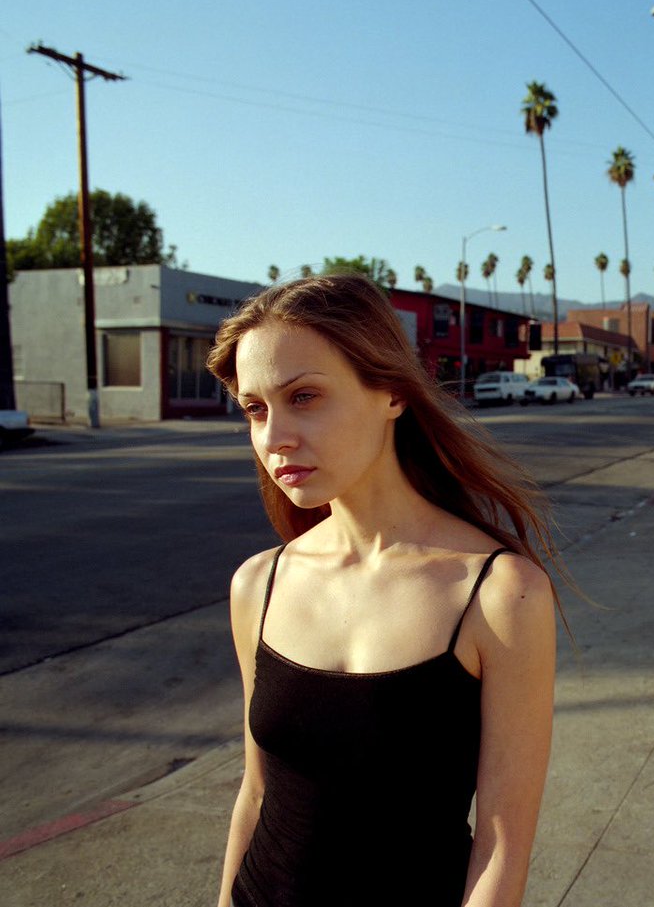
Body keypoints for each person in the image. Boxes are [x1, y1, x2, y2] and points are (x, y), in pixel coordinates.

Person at [205, 273, 562, 907]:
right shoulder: (258, 584)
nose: (273, 437)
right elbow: (257, 791)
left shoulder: (500, 595)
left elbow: (502, 849)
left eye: (305, 397)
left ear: (392, 392)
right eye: (256, 409)